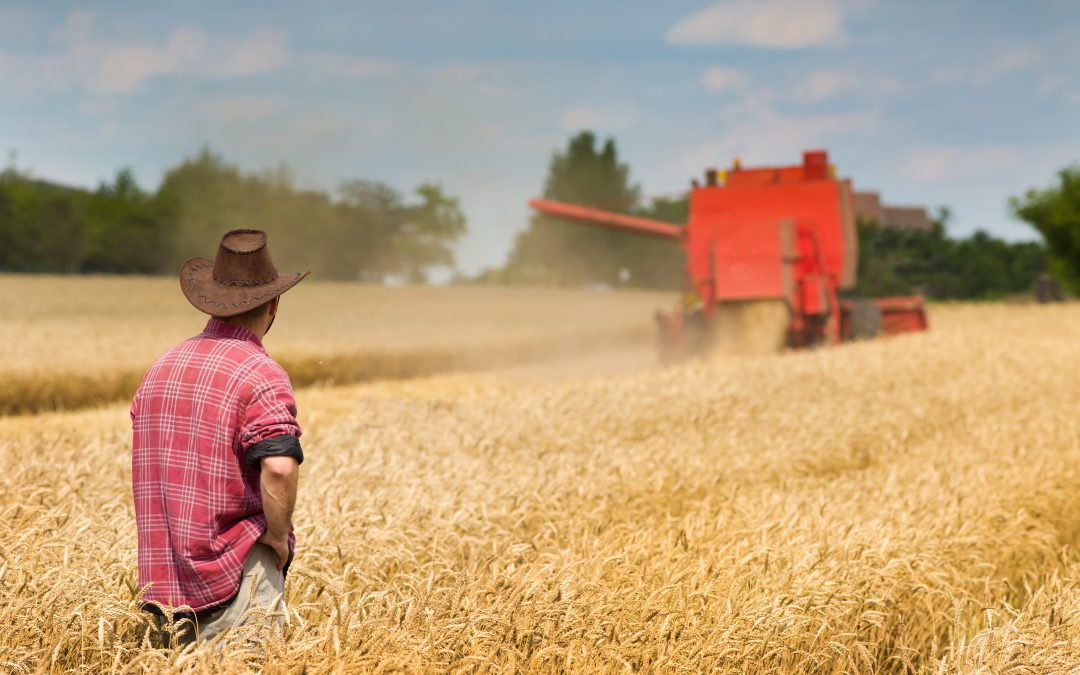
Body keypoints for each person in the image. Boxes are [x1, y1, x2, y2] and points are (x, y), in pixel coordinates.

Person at [130, 229, 309, 646]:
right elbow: (280, 467)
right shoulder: (261, 373)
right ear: (274, 304)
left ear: (210, 301)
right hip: (236, 577)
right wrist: (278, 536)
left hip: (164, 588)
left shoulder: (162, 367)